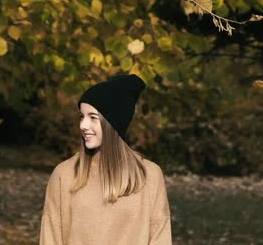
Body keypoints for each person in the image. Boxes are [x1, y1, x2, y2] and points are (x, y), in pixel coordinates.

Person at [40, 74, 172, 244]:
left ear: (114, 124)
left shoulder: (149, 176)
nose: (83, 125)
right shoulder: (64, 174)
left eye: (93, 118)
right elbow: (50, 237)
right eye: (82, 116)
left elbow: (160, 238)